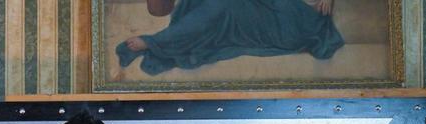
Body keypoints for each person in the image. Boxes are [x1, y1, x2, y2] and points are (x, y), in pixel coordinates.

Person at [116, 0, 344, 76]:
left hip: (290, 23)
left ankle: (157, 41)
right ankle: (162, 40)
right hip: (269, 11)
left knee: (221, 6)